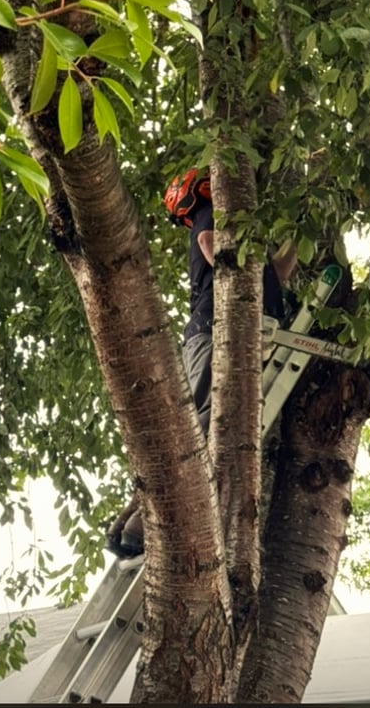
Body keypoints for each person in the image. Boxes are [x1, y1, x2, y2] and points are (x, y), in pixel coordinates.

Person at [105, 168, 298, 558]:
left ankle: (132, 518)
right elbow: (210, 242)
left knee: (196, 425)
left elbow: (276, 272)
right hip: (214, 328)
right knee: (204, 425)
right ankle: (143, 522)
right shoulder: (210, 214)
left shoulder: (238, 237)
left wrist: (298, 236)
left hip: (215, 330)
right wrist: (240, 283)